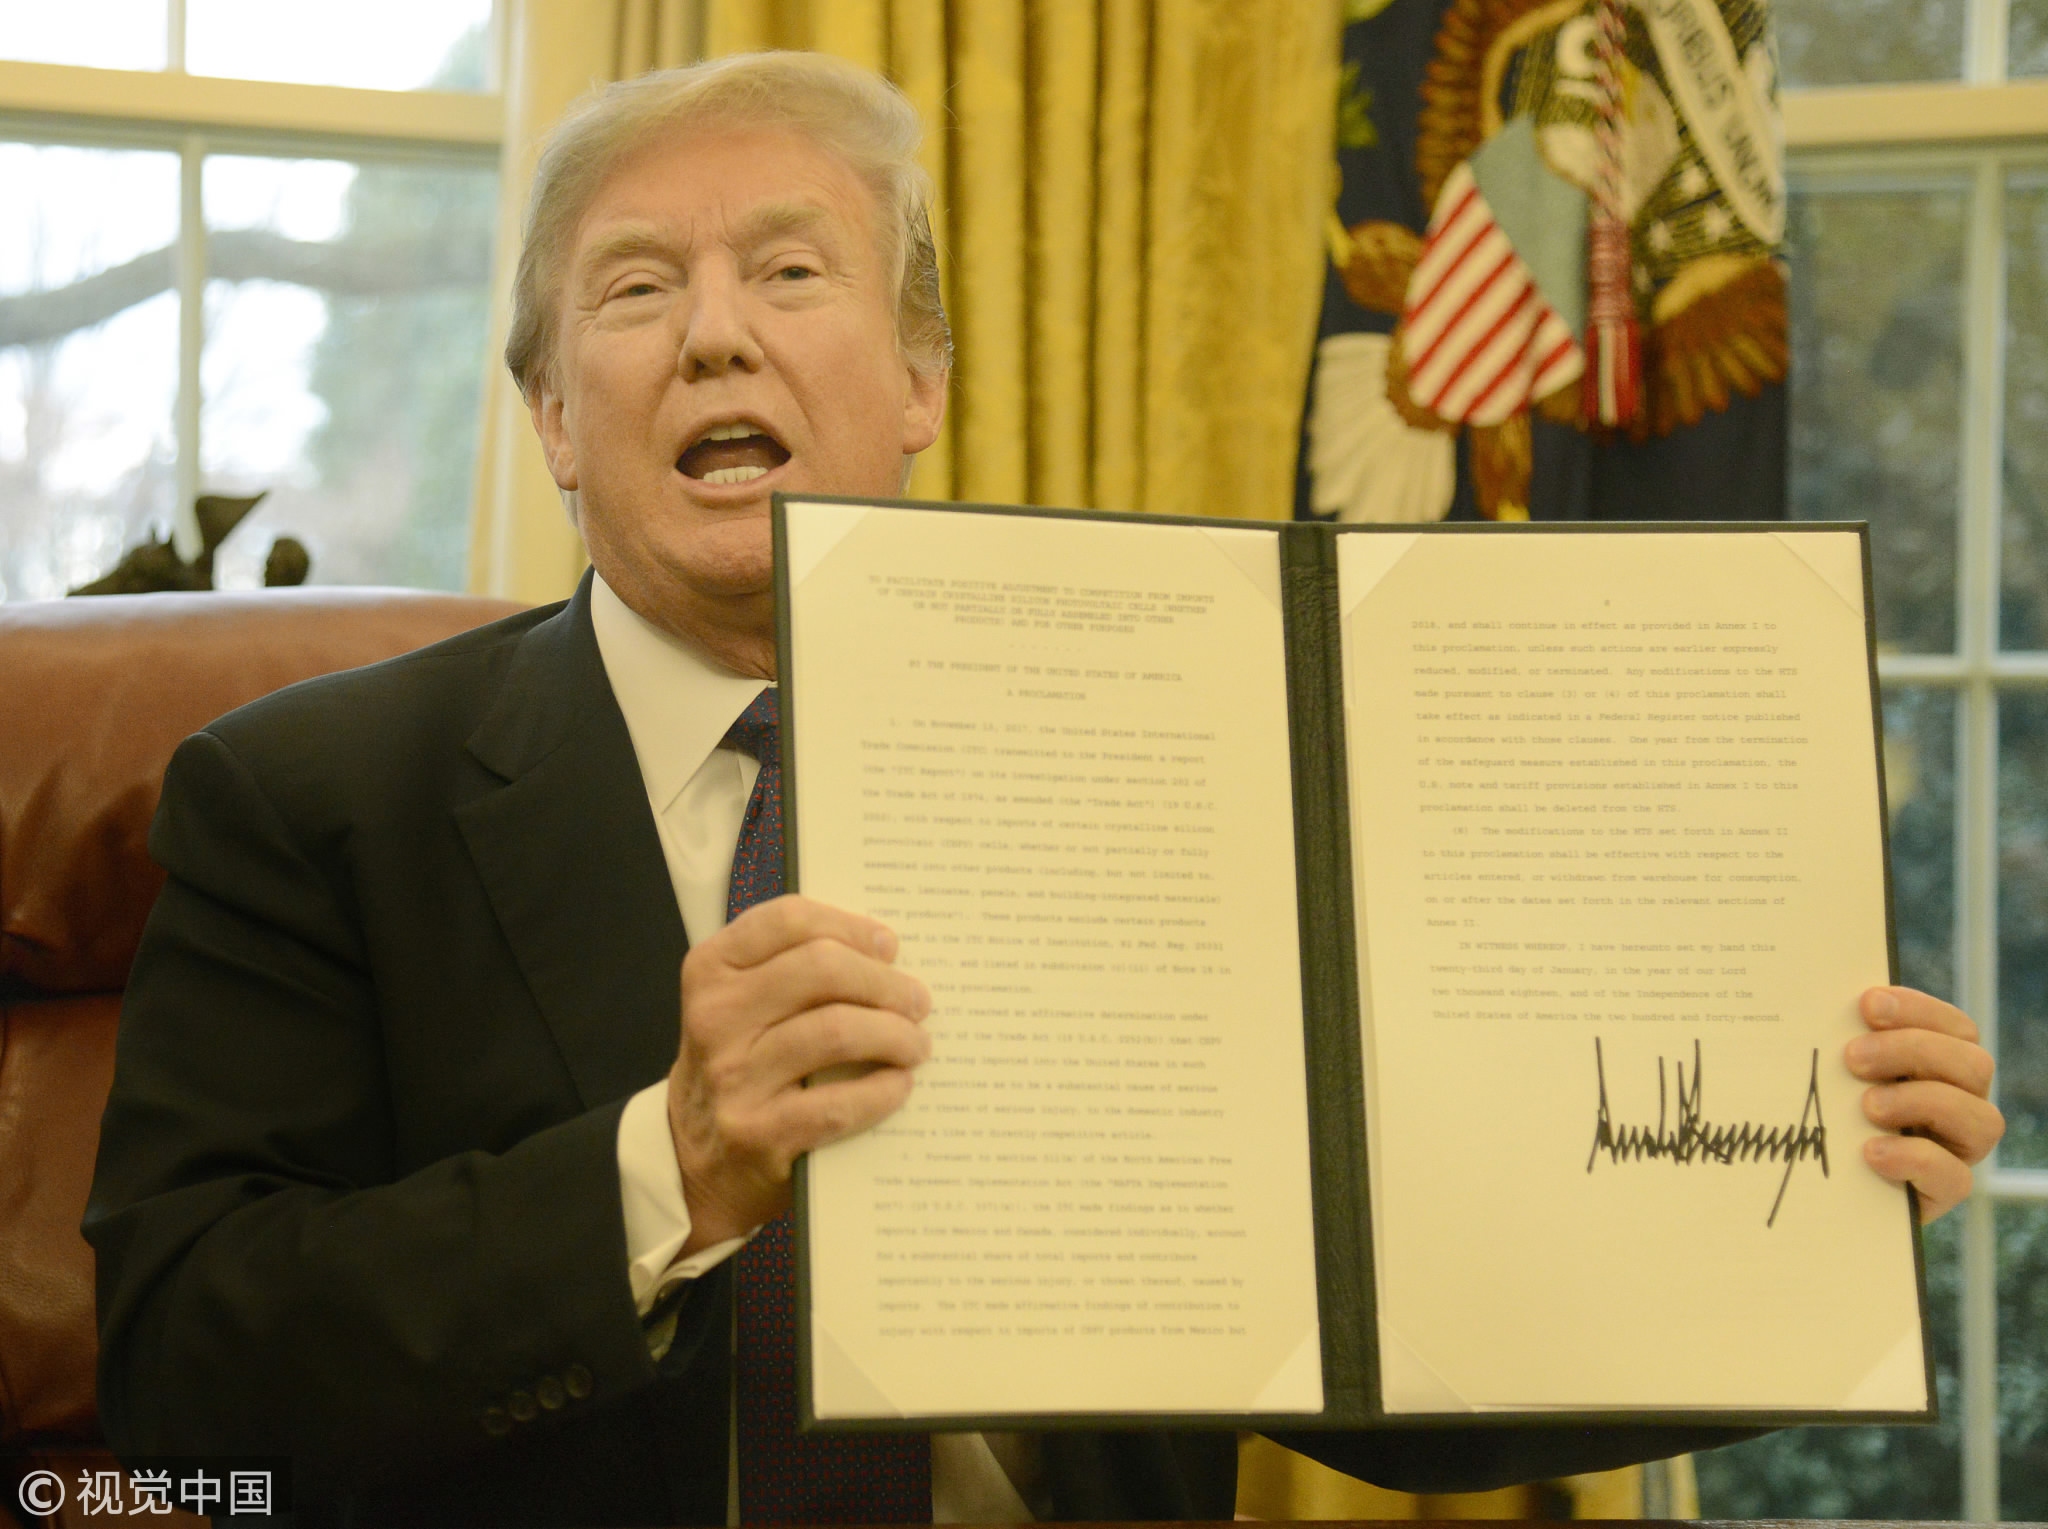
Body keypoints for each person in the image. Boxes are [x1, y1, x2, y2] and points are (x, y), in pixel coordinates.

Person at [86, 50, 2005, 1528]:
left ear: (920, 379)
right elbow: (181, 1384)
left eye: (792, 270)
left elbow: (1384, 1333)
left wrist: (1793, 1220)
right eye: (637, 287)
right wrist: (671, 1166)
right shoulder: (303, 797)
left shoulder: (1185, 754)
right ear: (550, 418)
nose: (718, 329)